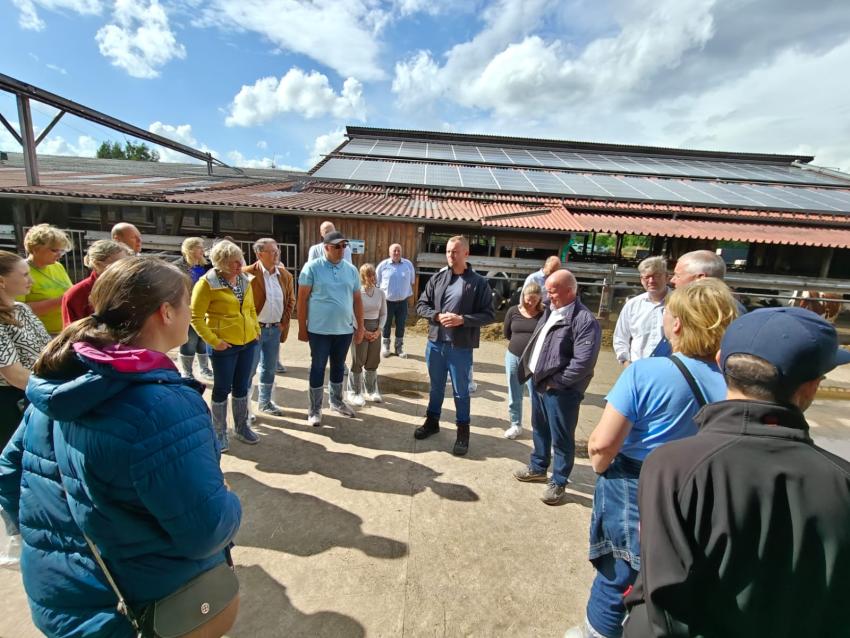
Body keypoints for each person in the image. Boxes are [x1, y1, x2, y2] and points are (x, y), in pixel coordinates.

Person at [0, 257, 242, 638]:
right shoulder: (164, 405)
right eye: (185, 306)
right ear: (165, 312)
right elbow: (206, 531)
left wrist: (50, 541)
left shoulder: (60, 382)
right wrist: (229, 501)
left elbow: (10, 472)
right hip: (144, 606)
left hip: (60, 596)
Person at [623, 306, 850, 638]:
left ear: (719, 361)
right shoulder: (841, 479)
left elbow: (662, 596)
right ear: (811, 386)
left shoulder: (673, 465)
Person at [565, 278, 738, 638]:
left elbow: (602, 444)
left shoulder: (645, 372)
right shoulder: (734, 383)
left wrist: (600, 466)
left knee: (619, 572)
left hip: (636, 481)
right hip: (701, 484)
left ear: (676, 323)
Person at [513, 270, 601, 504]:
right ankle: (538, 466)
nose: (547, 295)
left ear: (570, 291)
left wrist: (556, 382)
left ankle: (559, 481)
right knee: (539, 427)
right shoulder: (551, 310)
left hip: (561, 390)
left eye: (552, 291)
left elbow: (583, 363)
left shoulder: (584, 320)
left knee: (562, 437)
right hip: (540, 382)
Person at [415, 236, 495, 456]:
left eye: (455, 252)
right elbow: (421, 305)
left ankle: (463, 432)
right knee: (436, 387)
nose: (451, 255)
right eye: (448, 251)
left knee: (461, 392)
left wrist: (463, 320)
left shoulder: (478, 282)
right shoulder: (438, 278)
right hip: (436, 343)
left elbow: (489, 314)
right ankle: (432, 422)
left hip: (460, 347)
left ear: (466, 253)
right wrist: (437, 315)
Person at [191, 240, 260, 449]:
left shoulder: (245, 280)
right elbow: (195, 317)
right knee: (222, 388)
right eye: (232, 262)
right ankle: (219, 432)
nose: (239, 265)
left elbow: (250, 309)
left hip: (247, 342)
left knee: (241, 386)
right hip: (224, 345)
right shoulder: (206, 283)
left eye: (239, 260)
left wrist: (256, 330)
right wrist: (214, 341)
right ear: (220, 263)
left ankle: (241, 427)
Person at [298, 231, 364, 425]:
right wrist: (302, 327)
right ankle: (315, 409)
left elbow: (358, 301)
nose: (341, 250)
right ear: (326, 247)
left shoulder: (351, 270)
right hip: (319, 331)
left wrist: (359, 327)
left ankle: (336, 402)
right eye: (337, 246)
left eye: (344, 246)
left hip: (344, 330)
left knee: (338, 366)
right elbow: (302, 299)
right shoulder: (312, 268)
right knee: (318, 367)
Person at [0, 251, 50, 448]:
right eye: (24, 274)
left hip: (35, 392)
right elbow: (13, 374)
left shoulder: (22, 308)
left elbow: (47, 348)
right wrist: (54, 390)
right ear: (2, 281)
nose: (31, 280)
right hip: (12, 403)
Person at [243, 238, 295, 416]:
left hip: (274, 330)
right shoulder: (247, 274)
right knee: (249, 369)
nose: (276, 254)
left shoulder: (285, 275)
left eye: (277, 250)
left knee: (269, 368)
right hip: (254, 330)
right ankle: (245, 408)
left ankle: (265, 403)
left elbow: (290, 301)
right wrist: (250, 327)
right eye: (272, 251)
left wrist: (283, 323)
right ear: (259, 254)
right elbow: (240, 304)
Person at [502, 283, 544, 440]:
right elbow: (507, 333)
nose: (531, 302)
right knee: (514, 391)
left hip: (535, 360)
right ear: (523, 297)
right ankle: (515, 424)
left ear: (540, 298)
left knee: (536, 394)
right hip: (514, 356)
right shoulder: (513, 311)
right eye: (528, 299)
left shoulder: (544, 314)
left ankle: (538, 427)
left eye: (534, 299)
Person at [16, 223, 73, 335]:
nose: (59, 255)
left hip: (65, 330)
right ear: (35, 248)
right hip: (40, 334)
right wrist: (61, 300)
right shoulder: (19, 271)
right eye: (54, 250)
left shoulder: (57, 266)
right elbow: (19, 310)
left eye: (61, 251)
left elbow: (69, 291)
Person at [612, 256, 669, 366]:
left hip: (670, 370)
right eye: (647, 277)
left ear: (667, 277)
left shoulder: (680, 303)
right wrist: (626, 363)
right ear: (641, 280)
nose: (651, 281)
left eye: (656, 276)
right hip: (638, 367)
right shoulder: (632, 305)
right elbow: (620, 337)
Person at [62, 239, 133, 327]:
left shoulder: (130, 287)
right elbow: (72, 333)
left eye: (126, 263)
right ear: (97, 264)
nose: (125, 268)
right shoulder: (77, 293)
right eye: (118, 264)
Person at [173, 237, 214, 381]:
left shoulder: (207, 266)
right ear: (190, 249)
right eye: (199, 247)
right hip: (187, 308)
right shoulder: (177, 267)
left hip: (205, 308)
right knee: (190, 340)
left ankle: (204, 368)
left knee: (203, 339)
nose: (203, 250)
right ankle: (187, 372)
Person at [347, 263, 387, 406]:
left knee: (373, 360)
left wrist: (378, 330)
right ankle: (354, 392)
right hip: (360, 328)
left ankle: (371, 390)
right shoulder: (357, 292)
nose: (372, 277)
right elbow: (352, 313)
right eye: (369, 275)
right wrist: (361, 330)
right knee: (358, 360)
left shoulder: (380, 293)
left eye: (373, 274)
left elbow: (383, 313)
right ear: (363, 277)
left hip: (375, 328)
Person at [376, 243, 415, 359]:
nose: (397, 253)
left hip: (403, 301)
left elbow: (412, 281)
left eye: (399, 250)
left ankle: (399, 348)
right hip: (387, 302)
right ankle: (385, 347)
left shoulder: (408, 265)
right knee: (386, 324)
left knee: (401, 324)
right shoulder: (383, 265)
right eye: (394, 251)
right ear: (389, 252)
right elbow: (377, 283)